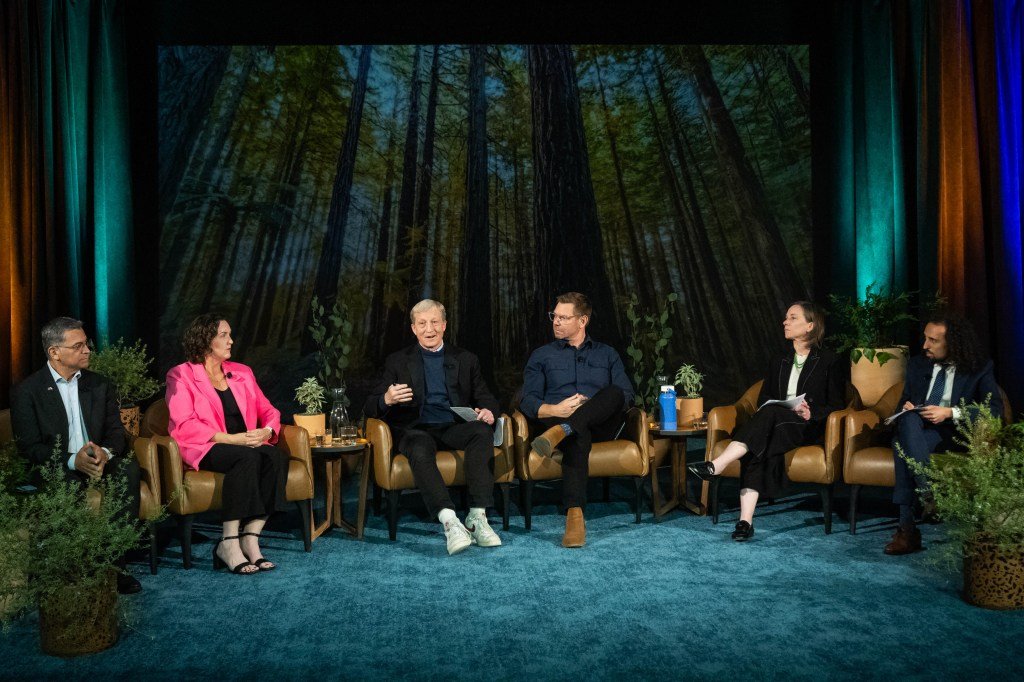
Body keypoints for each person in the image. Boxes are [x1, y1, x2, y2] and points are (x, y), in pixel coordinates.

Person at [687, 301, 845, 542]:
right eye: (786, 317)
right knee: (758, 442)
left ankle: (716, 466)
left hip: (806, 425)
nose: (785, 322)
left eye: (793, 318)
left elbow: (837, 405)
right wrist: (776, 406)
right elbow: (765, 398)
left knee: (763, 426)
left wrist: (811, 412)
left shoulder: (828, 361)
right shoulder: (779, 359)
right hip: (776, 422)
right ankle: (745, 522)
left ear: (810, 326)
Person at [10, 317, 143, 594]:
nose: (87, 351)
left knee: (128, 471)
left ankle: (114, 564)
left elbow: (117, 433)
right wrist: (73, 460)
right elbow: (30, 447)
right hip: (58, 465)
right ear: (54, 352)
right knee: (67, 481)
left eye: (87, 345)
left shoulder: (99, 384)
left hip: (98, 460)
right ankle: (73, 567)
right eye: (78, 346)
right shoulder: (27, 391)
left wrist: (105, 453)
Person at [363, 299, 503, 555]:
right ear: (414, 328)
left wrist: (488, 411)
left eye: (435, 322)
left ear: (445, 325)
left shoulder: (466, 359)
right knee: (418, 447)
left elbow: (486, 396)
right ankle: (450, 521)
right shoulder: (397, 361)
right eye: (422, 323)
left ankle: (477, 516)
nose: (430, 329)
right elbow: (370, 405)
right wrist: (387, 398)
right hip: (415, 428)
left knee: (482, 432)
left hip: (451, 426)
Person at [165, 314, 289, 575]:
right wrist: (233, 439)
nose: (231, 341)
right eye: (224, 335)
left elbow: (269, 411)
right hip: (206, 444)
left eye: (229, 334)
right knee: (247, 458)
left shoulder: (242, 372)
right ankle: (228, 543)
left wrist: (266, 432)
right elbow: (184, 424)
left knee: (275, 457)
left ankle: (251, 538)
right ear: (205, 340)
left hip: (243, 442)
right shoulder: (181, 375)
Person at [520, 292, 634, 548]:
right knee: (577, 434)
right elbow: (527, 401)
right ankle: (574, 516)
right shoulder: (542, 355)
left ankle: (565, 428)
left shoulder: (607, 354)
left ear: (582, 321)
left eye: (563, 317)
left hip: (602, 424)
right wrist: (555, 409)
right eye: (554, 316)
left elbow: (626, 396)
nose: (556, 322)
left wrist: (592, 407)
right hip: (559, 420)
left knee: (613, 393)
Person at [884, 312, 1003, 555]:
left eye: (933, 341)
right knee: (906, 422)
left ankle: (907, 530)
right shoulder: (918, 364)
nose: (925, 345)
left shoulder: (979, 367)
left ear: (953, 343)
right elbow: (903, 401)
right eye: (925, 338)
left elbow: (994, 410)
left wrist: (950, 413)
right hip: (919, 430)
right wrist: (907, 408)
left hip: (952, 433)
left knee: (900, 445)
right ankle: (928, 495)